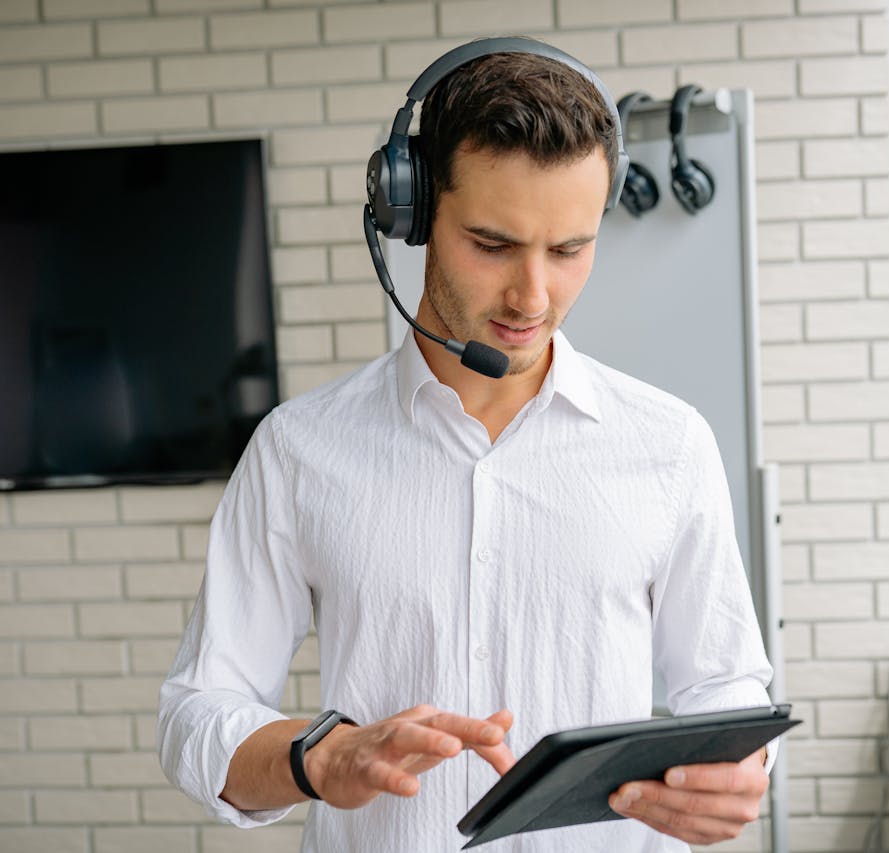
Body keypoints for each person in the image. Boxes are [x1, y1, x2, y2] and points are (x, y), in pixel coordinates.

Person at [158, 37, 774, 852]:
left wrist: (735, 777)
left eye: (569, 249)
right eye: (491, 244)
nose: (532, 294)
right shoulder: (297, 452)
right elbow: (198, 713)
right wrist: (321, 756)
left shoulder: (670, 445)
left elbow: (727, 690)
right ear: (410, 215)